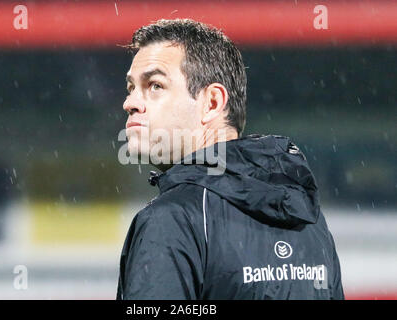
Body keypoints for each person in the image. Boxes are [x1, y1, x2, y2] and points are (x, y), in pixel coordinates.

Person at [117, 18, 344, 300]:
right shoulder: (308, 219)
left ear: (212, 102)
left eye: (154, 85)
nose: (130, 103)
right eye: (131, 88)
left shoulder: (172, 219)